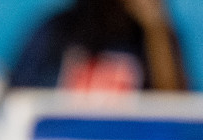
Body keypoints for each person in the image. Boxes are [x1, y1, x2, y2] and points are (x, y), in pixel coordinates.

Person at [9, 0, 188, 92]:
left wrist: (156, 30)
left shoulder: (153, 37)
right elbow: (19, 99)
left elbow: (174, 113)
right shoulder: (57, 30)